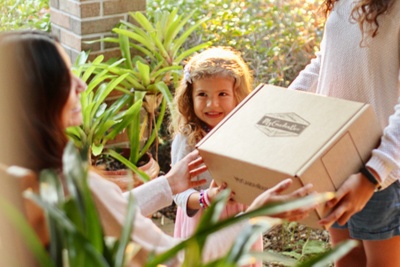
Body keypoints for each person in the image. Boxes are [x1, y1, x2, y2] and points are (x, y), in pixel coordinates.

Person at [1, 30, 315, 266]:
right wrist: (258, 215)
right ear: (37, 99)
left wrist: (168, 184)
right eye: (66, 78)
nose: (81, 85)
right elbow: (176, 257)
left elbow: (104, 214)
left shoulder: (17, 175)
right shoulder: (73, 185)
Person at [288, 0, 400, 266]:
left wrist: (373, 173)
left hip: (379, 168)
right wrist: (279, 104)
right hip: (336, 158)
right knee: (346, 259)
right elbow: (322, 62)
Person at [170, 46, 264, 266]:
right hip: (200, 222)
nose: (213, 104)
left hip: (239, 219)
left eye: (222, 94)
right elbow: (178, 194)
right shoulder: (187, 140)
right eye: (202, 95)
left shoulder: (247, 135)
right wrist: (205, 199)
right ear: (190, 97)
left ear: (237, 95)